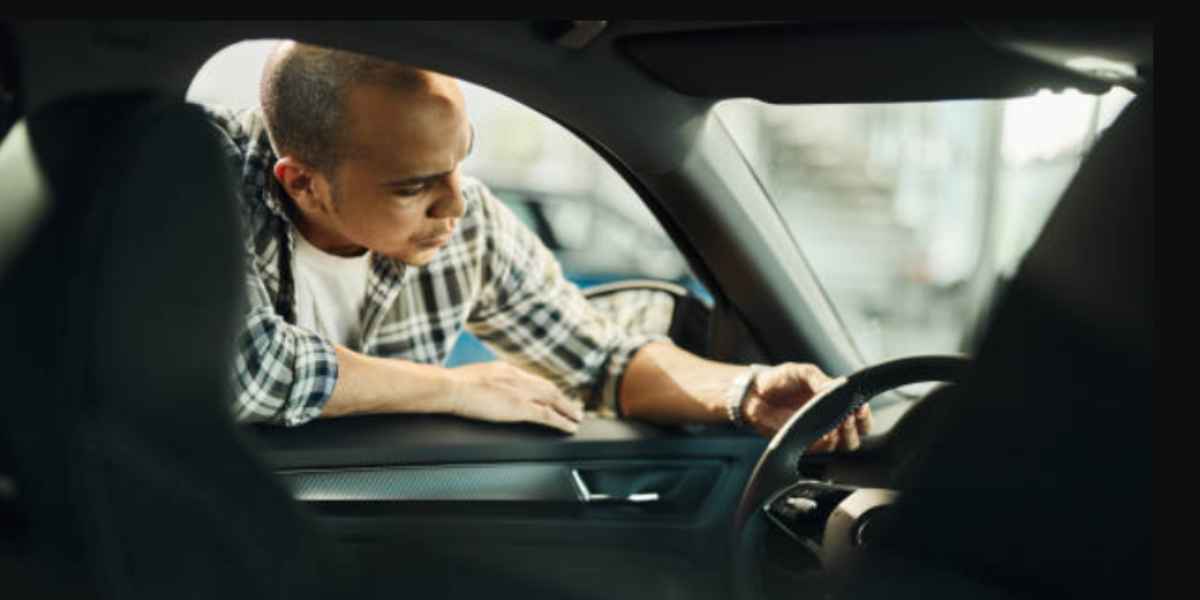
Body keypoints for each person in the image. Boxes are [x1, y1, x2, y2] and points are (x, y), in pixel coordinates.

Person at [204, 41, 870, 450]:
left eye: (460, 164)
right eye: (414, 188)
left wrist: (746, 392)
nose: (456, 205)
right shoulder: (201, 188)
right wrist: (451, 390)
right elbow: (240, 368)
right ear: (306, 185)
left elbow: (598, 358)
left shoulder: (471, 226)